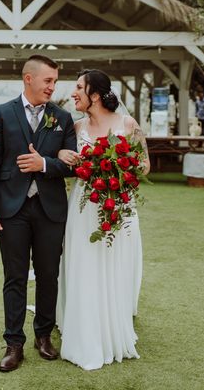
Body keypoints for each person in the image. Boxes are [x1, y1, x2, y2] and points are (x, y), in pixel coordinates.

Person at [0, 55, 76, 372]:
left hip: (50, 209)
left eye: (55, 82)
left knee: (49, 274)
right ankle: (14, 344)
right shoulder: (2, 114)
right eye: (48, 80)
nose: (53, 87)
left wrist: (44, 164)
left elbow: (72, 164)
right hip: (11, 210)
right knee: (15, 278)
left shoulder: (62, 117)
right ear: (28, 78)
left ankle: (43, 336)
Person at [56, 69, 150, 370]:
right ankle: (83, 324)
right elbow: (65, 158)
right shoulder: (75, 127)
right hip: (85, 208)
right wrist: (62, 154)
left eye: (79, 88)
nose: (74, 93)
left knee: (115, 262)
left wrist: (118, 171)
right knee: (84, 261)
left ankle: (113, 321)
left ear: (95, 94)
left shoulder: (128, 124)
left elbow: (145, 165)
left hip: (119, 205)